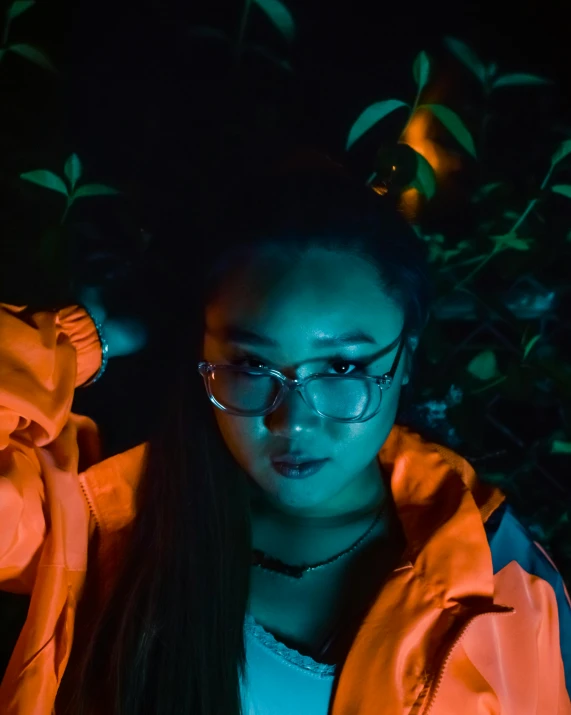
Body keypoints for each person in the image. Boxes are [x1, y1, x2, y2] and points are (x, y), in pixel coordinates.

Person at [0, 150, 570, 715]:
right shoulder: (102, 523)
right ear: (203, 352)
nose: (291, 419)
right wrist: (82, 342)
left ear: (406, 356)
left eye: (342, 367)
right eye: (251, 365)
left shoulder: (506, 584)